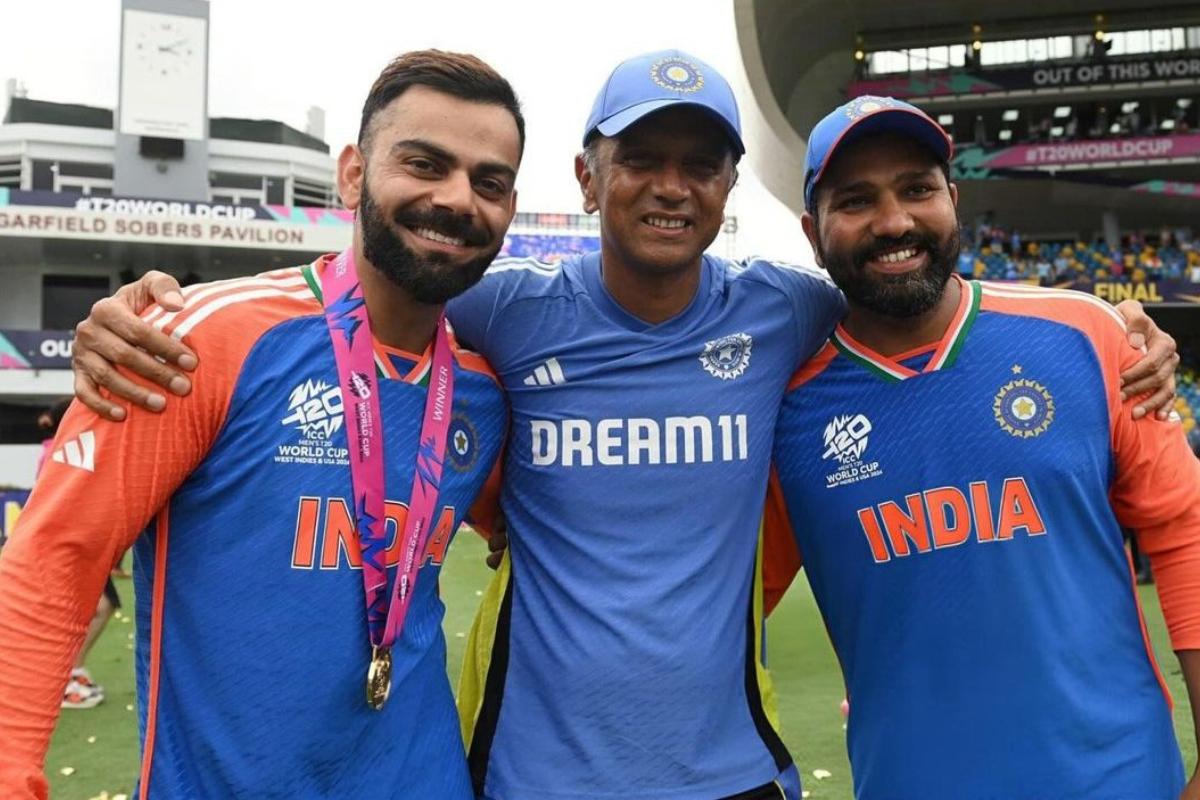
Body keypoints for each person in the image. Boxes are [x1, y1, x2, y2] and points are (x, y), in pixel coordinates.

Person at [67, 53, 1180, 800]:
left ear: (734, 190)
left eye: (700, 164)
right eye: (640, 158)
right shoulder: (504, 311)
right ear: (586, 176)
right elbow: (367, 303)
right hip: (532, 777)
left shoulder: (786, 313)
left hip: (734, 773)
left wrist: (1113, 326)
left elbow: (913, 291)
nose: (669, 185)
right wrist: (149, 310)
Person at [0, 49, 519, 799]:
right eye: (425, 163)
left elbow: (536, 527)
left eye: (489, 182)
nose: (458, 198)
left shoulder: (479, 393)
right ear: (352, 174)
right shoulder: (197, 342)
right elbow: (54, 560)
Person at [763, 96, 1200, 799]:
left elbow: (1186, 532)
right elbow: (723, 603)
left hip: (1120, 782)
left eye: (917, 189)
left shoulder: (1085, 333)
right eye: (856, 200)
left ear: (952, 199)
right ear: (813, 232)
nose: (895, 221)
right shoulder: (784, 408)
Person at [35, 398, 119, 710]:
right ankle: (64, 679)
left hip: (84, 543)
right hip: (69, 544)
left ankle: (72, 671)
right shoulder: (59, 450)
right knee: (92, 610)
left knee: (101, 607)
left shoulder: (71, 445)